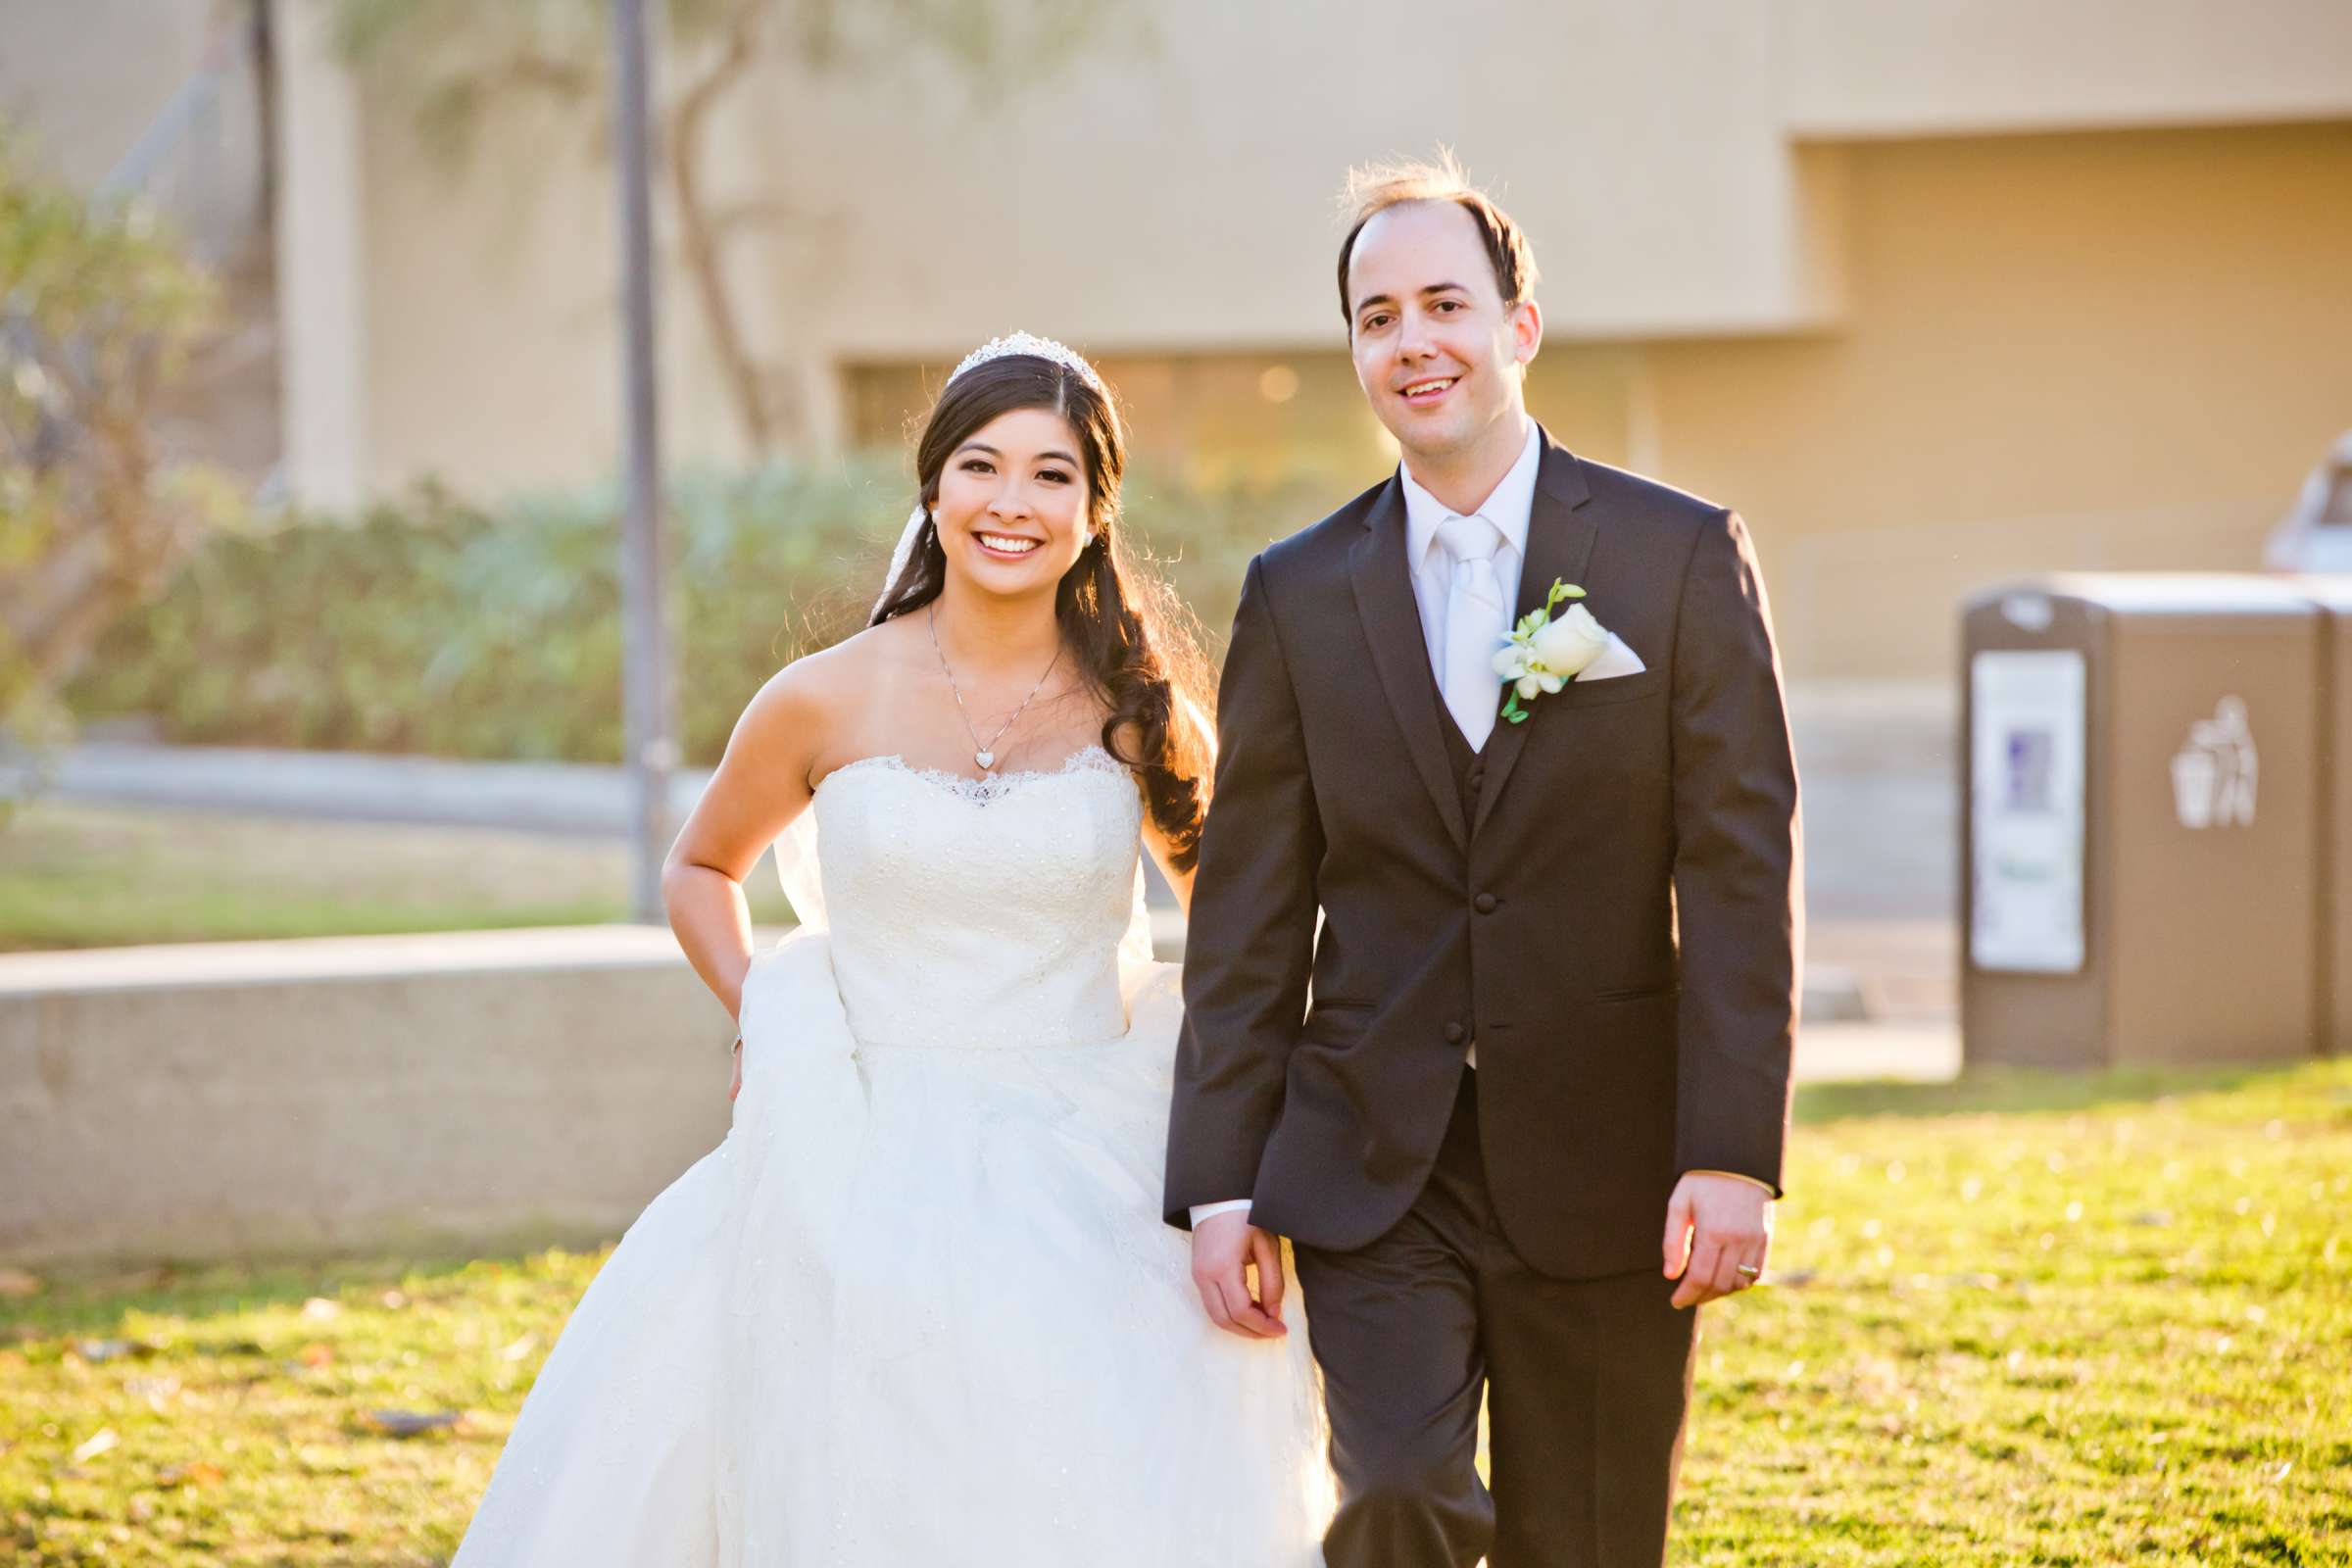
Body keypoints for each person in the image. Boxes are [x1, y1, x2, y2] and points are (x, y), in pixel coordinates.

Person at [452, 334, 1331, 1566]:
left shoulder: (1141, 715)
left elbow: (1245, 932)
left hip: (1097, 1144)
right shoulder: (821, 697)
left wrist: (1247, 1135)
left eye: (1051, 475)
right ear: (933, 491)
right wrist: (768, 1010)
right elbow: (700, 868)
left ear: (1094, 510)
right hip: (856, 1131)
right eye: (981, 466)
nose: (1011, 503)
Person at [1167, 157, 1803, 1568]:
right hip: (1373, 1161)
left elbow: (1741, 872)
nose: (1413, 343)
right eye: (1377, 317)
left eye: (1444, 304)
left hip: (1613, 1158)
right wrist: (1220, 1179)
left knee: (1587, 1539)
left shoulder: (1676, 556)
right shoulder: (1298, 591)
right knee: (1396, 1498)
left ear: (1520, 325)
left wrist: (1729, 1153)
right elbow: (1256, 909)